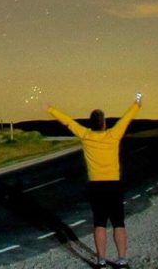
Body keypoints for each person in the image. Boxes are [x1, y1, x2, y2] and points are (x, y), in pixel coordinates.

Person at [46, 93, 142, 268]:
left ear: (91, 123)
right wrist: (137, 104)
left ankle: (101, 259)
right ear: (104, 122)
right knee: (118, 223)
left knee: (99, 222)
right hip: (114, 184)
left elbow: (68, 122)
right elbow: (126, 119)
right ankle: (122, 259)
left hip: (96, 185)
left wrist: (51, 109)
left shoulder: (85, 135)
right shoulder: (113, 135)